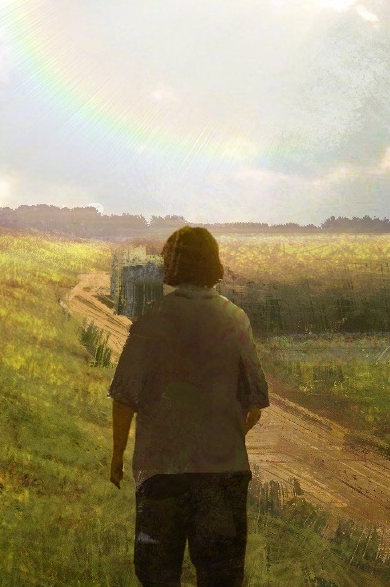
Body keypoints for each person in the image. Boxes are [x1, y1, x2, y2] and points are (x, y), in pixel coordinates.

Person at [107, 226, 269, 587]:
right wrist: (221, 437)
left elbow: (124, 398)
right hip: (223, 474)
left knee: (157, 574)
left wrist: (117, 456)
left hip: (161, 473)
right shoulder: (236, 318)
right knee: (221, 576)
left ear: (171, 263)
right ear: (214, 264)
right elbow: (255, 405)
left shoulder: (151, 319)